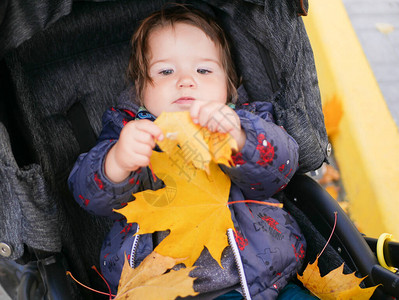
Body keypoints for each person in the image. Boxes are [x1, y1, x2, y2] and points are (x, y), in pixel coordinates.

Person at [68, 6, 306, 299]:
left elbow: (281, 172)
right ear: (140, 89)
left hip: (260, 282)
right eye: (166, 71)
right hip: (160, 290)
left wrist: (241, 138)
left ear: (230, 87)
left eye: (203, 70)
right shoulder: (130, 133)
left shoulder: (248, 122)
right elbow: (87, 195)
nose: (185, 80)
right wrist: (116, 162)